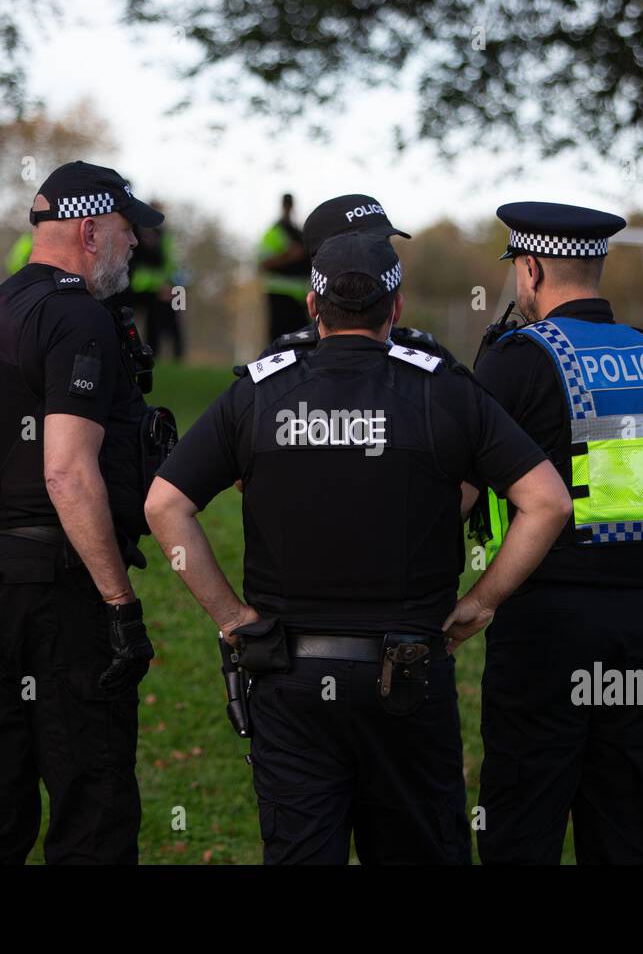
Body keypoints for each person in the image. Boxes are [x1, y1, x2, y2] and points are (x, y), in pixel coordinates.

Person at [145, 231, 573, 864]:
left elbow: (164, 505)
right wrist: (484, 601)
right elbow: (549, 501)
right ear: (395, 309)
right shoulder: (444, 390)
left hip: (288, 678)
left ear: (314, 309)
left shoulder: (259, 392)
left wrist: (232, 618)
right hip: (407, 677)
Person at [0, 161, 166, 864]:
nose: (136, 250)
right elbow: (66, 472)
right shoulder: (78, 318)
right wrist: (119, 604)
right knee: (91, 802)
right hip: (56, 585)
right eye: (129, 234)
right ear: (92, 230)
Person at [470, 201, 643, 865]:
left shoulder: (514, 361)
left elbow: (458, 488)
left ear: (533, 269)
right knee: (626, 824)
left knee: (520, 823)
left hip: (546, 623)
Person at [250, 193, 463, 370]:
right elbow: (262, 262)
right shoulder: (280, 362)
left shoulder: (430, 356)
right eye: (370, 247)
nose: (383, 257)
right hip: (281, 296)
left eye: (385, 244)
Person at [257, 193, 311, 341]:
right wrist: (288, 256)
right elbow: (262, 263)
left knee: (301, 337)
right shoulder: (274, 232)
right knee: (279, 337)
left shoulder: (299, 233)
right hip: (279, 292)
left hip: (300, 294)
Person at [128, 222, 185, 360]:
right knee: (129, 320)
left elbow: (173, 263)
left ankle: (174, 356)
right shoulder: (133, 233)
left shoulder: (164, 237)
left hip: (162, 288)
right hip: (136, 287)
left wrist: (172, 285)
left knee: (170, 320)